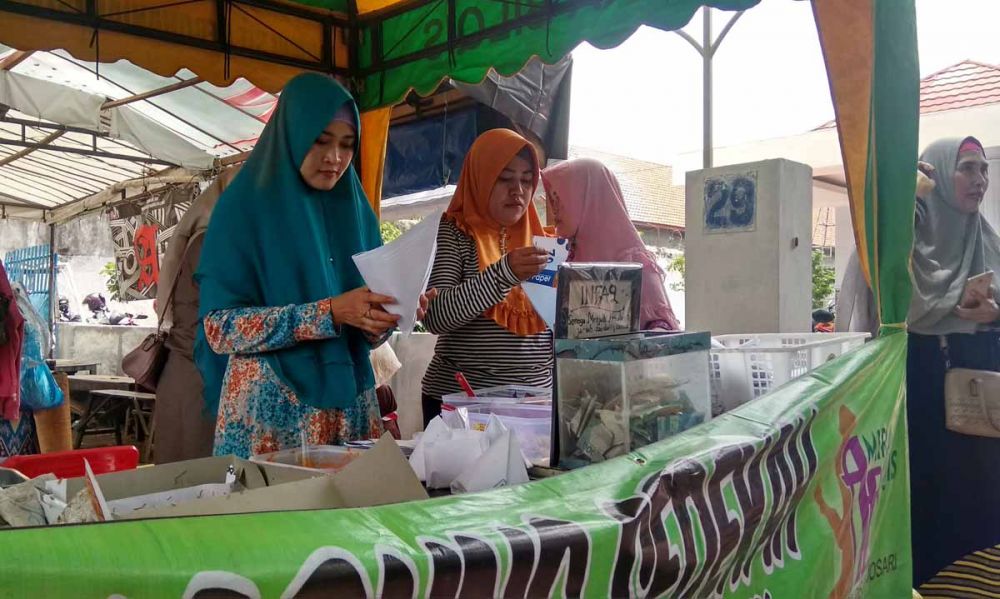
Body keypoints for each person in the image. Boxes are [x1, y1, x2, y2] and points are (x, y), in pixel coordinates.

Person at [196, 73, 428, 459]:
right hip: (271, 414)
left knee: (349, 516)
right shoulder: (244, 209)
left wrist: (390, 313)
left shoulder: (356, 214)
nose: (335, 157)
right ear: (291, 134)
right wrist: (329, 312)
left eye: (347, 145)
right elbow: (220, 328)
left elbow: (365, 328)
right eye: (320, 141)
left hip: (349, 405)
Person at [906, 136, 1000, 587]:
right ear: (940, 174)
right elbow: (892, 296)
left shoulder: (986, 237)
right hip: (920, 373)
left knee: (981, 488)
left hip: (979, 378)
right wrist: (905, 197)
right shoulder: (910, 232)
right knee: (928, 485)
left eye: (983, 169)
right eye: (966, 168)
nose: (979, 180)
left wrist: (995, 313)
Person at [421, 129, 552, 426]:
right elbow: (435, 315)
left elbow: (555, 330)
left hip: (534, 405)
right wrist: (504, 272)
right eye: (505, 178)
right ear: (480, 177)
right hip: (463, 404)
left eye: (527, 179)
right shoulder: (455, 232)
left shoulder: (543, 240)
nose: (518, 190)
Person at [153, 167, 239, 464]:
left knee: (181, 473)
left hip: (187, 373)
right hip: (201, 376)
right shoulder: (211, 242)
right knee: (196, 476)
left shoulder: (199, 235)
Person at [541, 158, 680, 330]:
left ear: (586, 199)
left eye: (559, 198)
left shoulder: (633, 260)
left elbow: (661, 326)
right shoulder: (560, 254)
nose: (553, 208)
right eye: (551, 198)